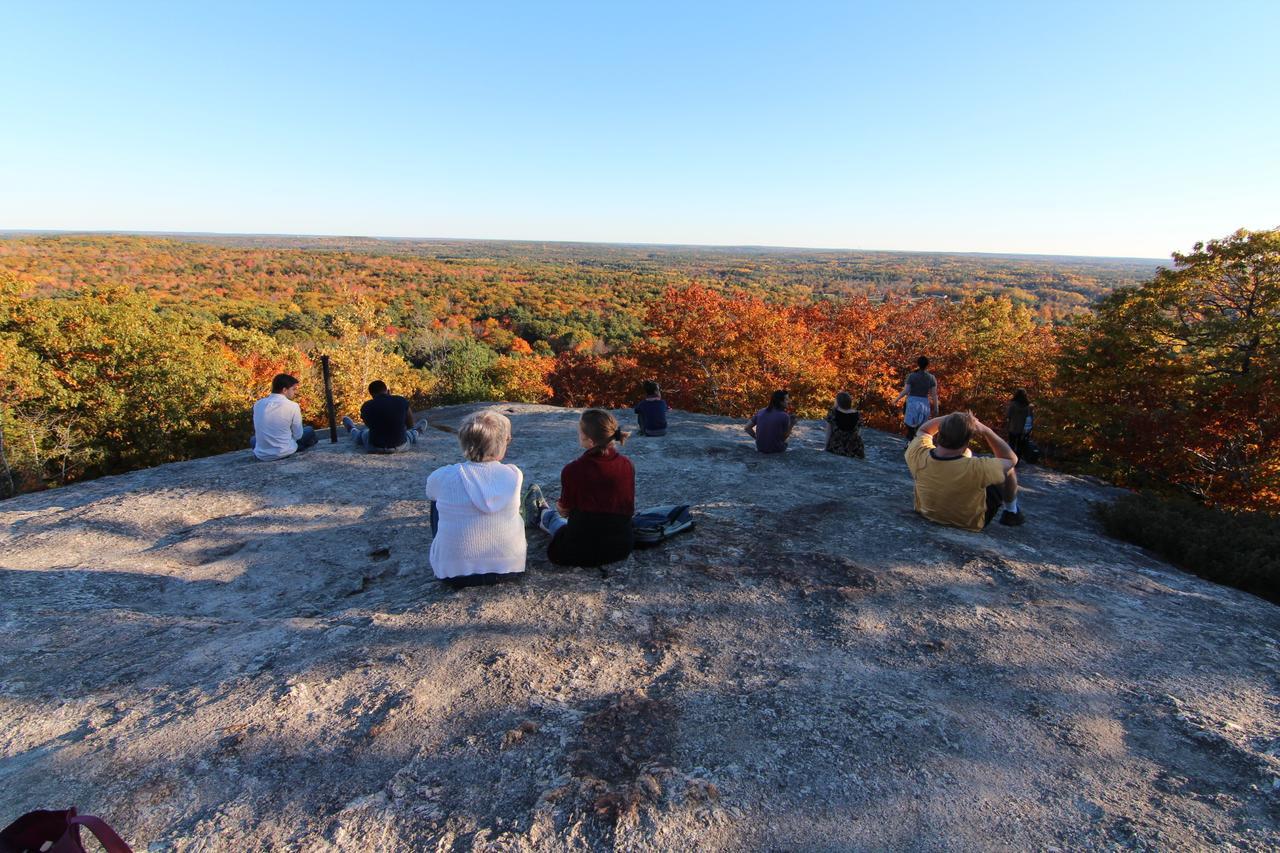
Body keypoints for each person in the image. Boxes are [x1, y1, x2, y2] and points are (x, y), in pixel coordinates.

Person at [424, 410, 526, 587]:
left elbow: (430, 493)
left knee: (436, 501)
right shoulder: (513, 474)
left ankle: (451, 549)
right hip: (509, 568)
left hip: (453, 573)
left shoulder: (442, 476)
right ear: (502, 443)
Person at [524, 409, 635, 568]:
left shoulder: (573, 470)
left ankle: (542, 513)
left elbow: (565, 511)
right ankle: (543, 513)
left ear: (589, 441)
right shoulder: (627, 464)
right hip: (621, 546)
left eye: (580, 432)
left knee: (558, 520)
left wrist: (560, 507)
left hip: (580, 550)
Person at [905, 411, 1025, 530]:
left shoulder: (919, 454)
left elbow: (924, 430)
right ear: (967, 441)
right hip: (968, 522)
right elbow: (1010, 459)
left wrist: (953, 418)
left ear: (940, 434)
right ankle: (1011, 511)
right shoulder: (977, 468)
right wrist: (987, 431)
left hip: (927, 512)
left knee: (967, 455)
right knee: (1007, 470)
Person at [341, 380, 428, 453]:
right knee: (409, 434)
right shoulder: (401, 400)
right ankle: (417, 431)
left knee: (363, 434)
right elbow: (410, 425)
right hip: (400, 446)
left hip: (375, 447)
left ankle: (352, 429)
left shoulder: (366, 406)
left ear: (372, 395)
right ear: (388, 391)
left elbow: (370, 426)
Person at [250, 373, 317, 461]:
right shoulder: (293, 406)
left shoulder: (258, 404)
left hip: (262, 454)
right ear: (284, 390)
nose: (295, 392)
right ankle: (296, 448)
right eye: (293, 389)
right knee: (309, 431)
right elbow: (298, 435)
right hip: (283, 451)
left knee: (253, 439)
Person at [894, 357, 939, 440]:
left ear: (918, 364)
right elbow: (934, 395)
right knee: (921, 426)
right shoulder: (932, 378)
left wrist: (896, 399)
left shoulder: (912, 376)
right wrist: (936, 407)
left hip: (912, 402)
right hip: (924, 404)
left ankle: (910, 442)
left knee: (910, 425)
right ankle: (917, 443)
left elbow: (906, 390)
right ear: (928, 365)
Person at [824, 391, 865, 459]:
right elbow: (858, 434)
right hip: (855, 450)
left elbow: (828, 432)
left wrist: (825, 447)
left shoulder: (833, 413)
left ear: (838, 402)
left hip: (836, 447)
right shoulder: (858, 414)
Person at [1005, 389, 1033, 457]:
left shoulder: (1012, 404)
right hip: (1023, 430)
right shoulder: (1028, 406)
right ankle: (1018, 459)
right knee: (1020, 445)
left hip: (1013, 428)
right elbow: (1030, 418)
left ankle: (1011, 458)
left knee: (1012, 444)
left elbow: (1008, 415)